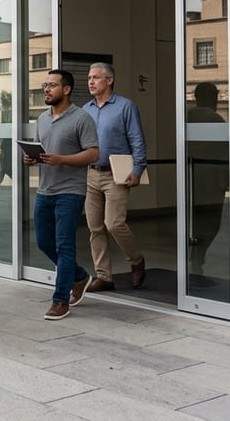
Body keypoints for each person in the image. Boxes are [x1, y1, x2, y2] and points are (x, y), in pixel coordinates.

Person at [22, 69, 99, 320]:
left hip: (70, 191)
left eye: (52, 85)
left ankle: (60, 300)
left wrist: (61, 159)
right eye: (45, 85)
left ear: (66, 89)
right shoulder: (42, 119)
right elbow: (42, 150)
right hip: (45, 189)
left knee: (64, 244)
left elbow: (93, 153)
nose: (46, 89)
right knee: (44, 241)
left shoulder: (82, 118)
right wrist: (31, 158)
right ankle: (79, 276)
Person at [83, 62, 147, 292]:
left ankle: (136, 260)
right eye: (89, 77)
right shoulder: (86, 109)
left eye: (96, 77)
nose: (91, 81)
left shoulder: (125, 107)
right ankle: (104, 276)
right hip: (91, 173)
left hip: (116, 174)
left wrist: (138, 169)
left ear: (109, 80)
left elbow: (137, 140)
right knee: (95, 227)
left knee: (114, 223)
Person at [187, 82, 229, 285]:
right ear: (213, 98)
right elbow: (225, 154)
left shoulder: (186, 116)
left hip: (191, 178)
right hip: (212, 179)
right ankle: (197, 261)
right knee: (210, 224)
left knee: (194, 222)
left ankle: (194, 261)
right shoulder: (216, 120)